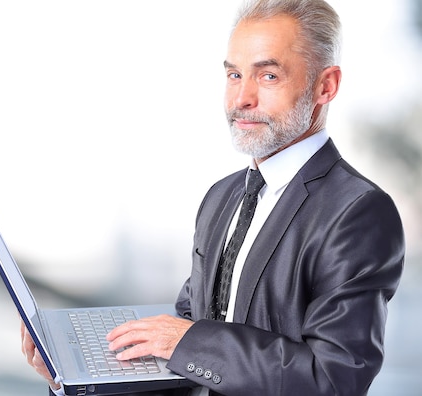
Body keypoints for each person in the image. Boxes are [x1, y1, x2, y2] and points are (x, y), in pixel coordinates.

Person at [21, 0, 405, 394]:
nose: (241, 99)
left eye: (268, 75)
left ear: (326, 86)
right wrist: (82, 376)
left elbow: (333, 379)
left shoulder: (358, 212)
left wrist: (185, 342)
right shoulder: (221, 197)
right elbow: (188, 362)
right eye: (235, 74)